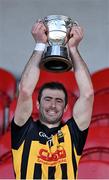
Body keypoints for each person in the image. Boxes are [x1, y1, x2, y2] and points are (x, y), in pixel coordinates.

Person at [11, 19, 94, 179]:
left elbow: (87, 94)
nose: (53, 105)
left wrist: (73, 49)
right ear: (37, 103)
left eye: (59, 101)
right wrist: (40, 45)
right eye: (47, 99)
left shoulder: (72, 133)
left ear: (66, 108)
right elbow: (26, 90)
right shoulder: (23, 129)